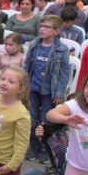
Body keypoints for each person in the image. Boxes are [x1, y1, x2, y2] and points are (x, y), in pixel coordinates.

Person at [23, 15, 71, 163]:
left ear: (56, 31)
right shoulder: (35, 45)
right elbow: (26, 66)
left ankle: (45, 148)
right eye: (41, 26)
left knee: (46, 119)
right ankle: (34, 147)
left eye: (47, 27)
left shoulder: (61, 50)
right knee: (32, 118)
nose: (42, 29)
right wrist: (24, 85)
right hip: (33, 88)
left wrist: (59, 93)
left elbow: (64, 74)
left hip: (49, 91)